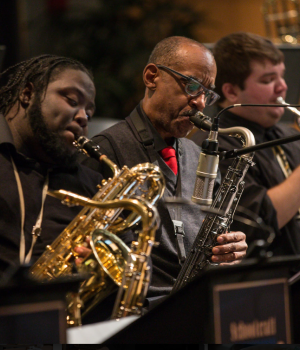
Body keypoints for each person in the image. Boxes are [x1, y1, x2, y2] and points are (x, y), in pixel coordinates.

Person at [80, 36, 248, 308]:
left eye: (208, 93)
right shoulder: (104, 152)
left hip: (196, 307)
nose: (201, 103)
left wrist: (230, 248)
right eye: (192, 85)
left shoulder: (199, 156)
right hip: (135, 314)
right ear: (151, 77)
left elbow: (213, 238)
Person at [0, 54, 133, 278]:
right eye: (72, 101)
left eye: (89, 113)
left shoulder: (95, 188)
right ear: (27, 94)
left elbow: (126, 271)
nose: (83, 118)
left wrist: (104, 265)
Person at [191, 32, 300, 256]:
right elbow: (260, 220)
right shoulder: (214, 146)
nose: (282, 88)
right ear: (231, 91)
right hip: (269, 280)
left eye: (282, 76)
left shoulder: (287, 134)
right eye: (268, 80)